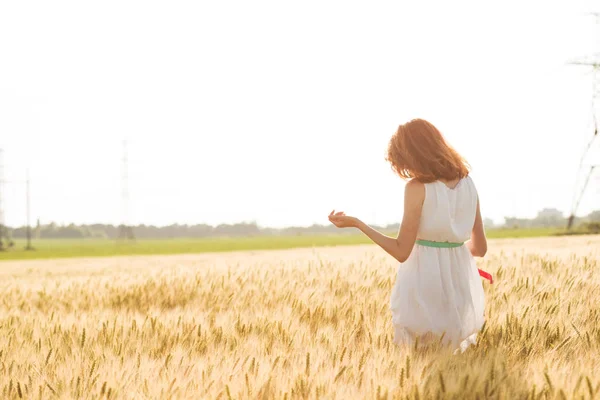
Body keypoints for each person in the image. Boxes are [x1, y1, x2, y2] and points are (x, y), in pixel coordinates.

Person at [328, 118, 488, 353]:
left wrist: (358, 224)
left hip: (424, 281)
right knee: (453, 354)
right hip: (461, 282)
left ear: (411, 154)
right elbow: (480, 249)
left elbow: (402, 251)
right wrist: (449, 251)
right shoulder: (469, 183)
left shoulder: (417, 188)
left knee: (419, 355)